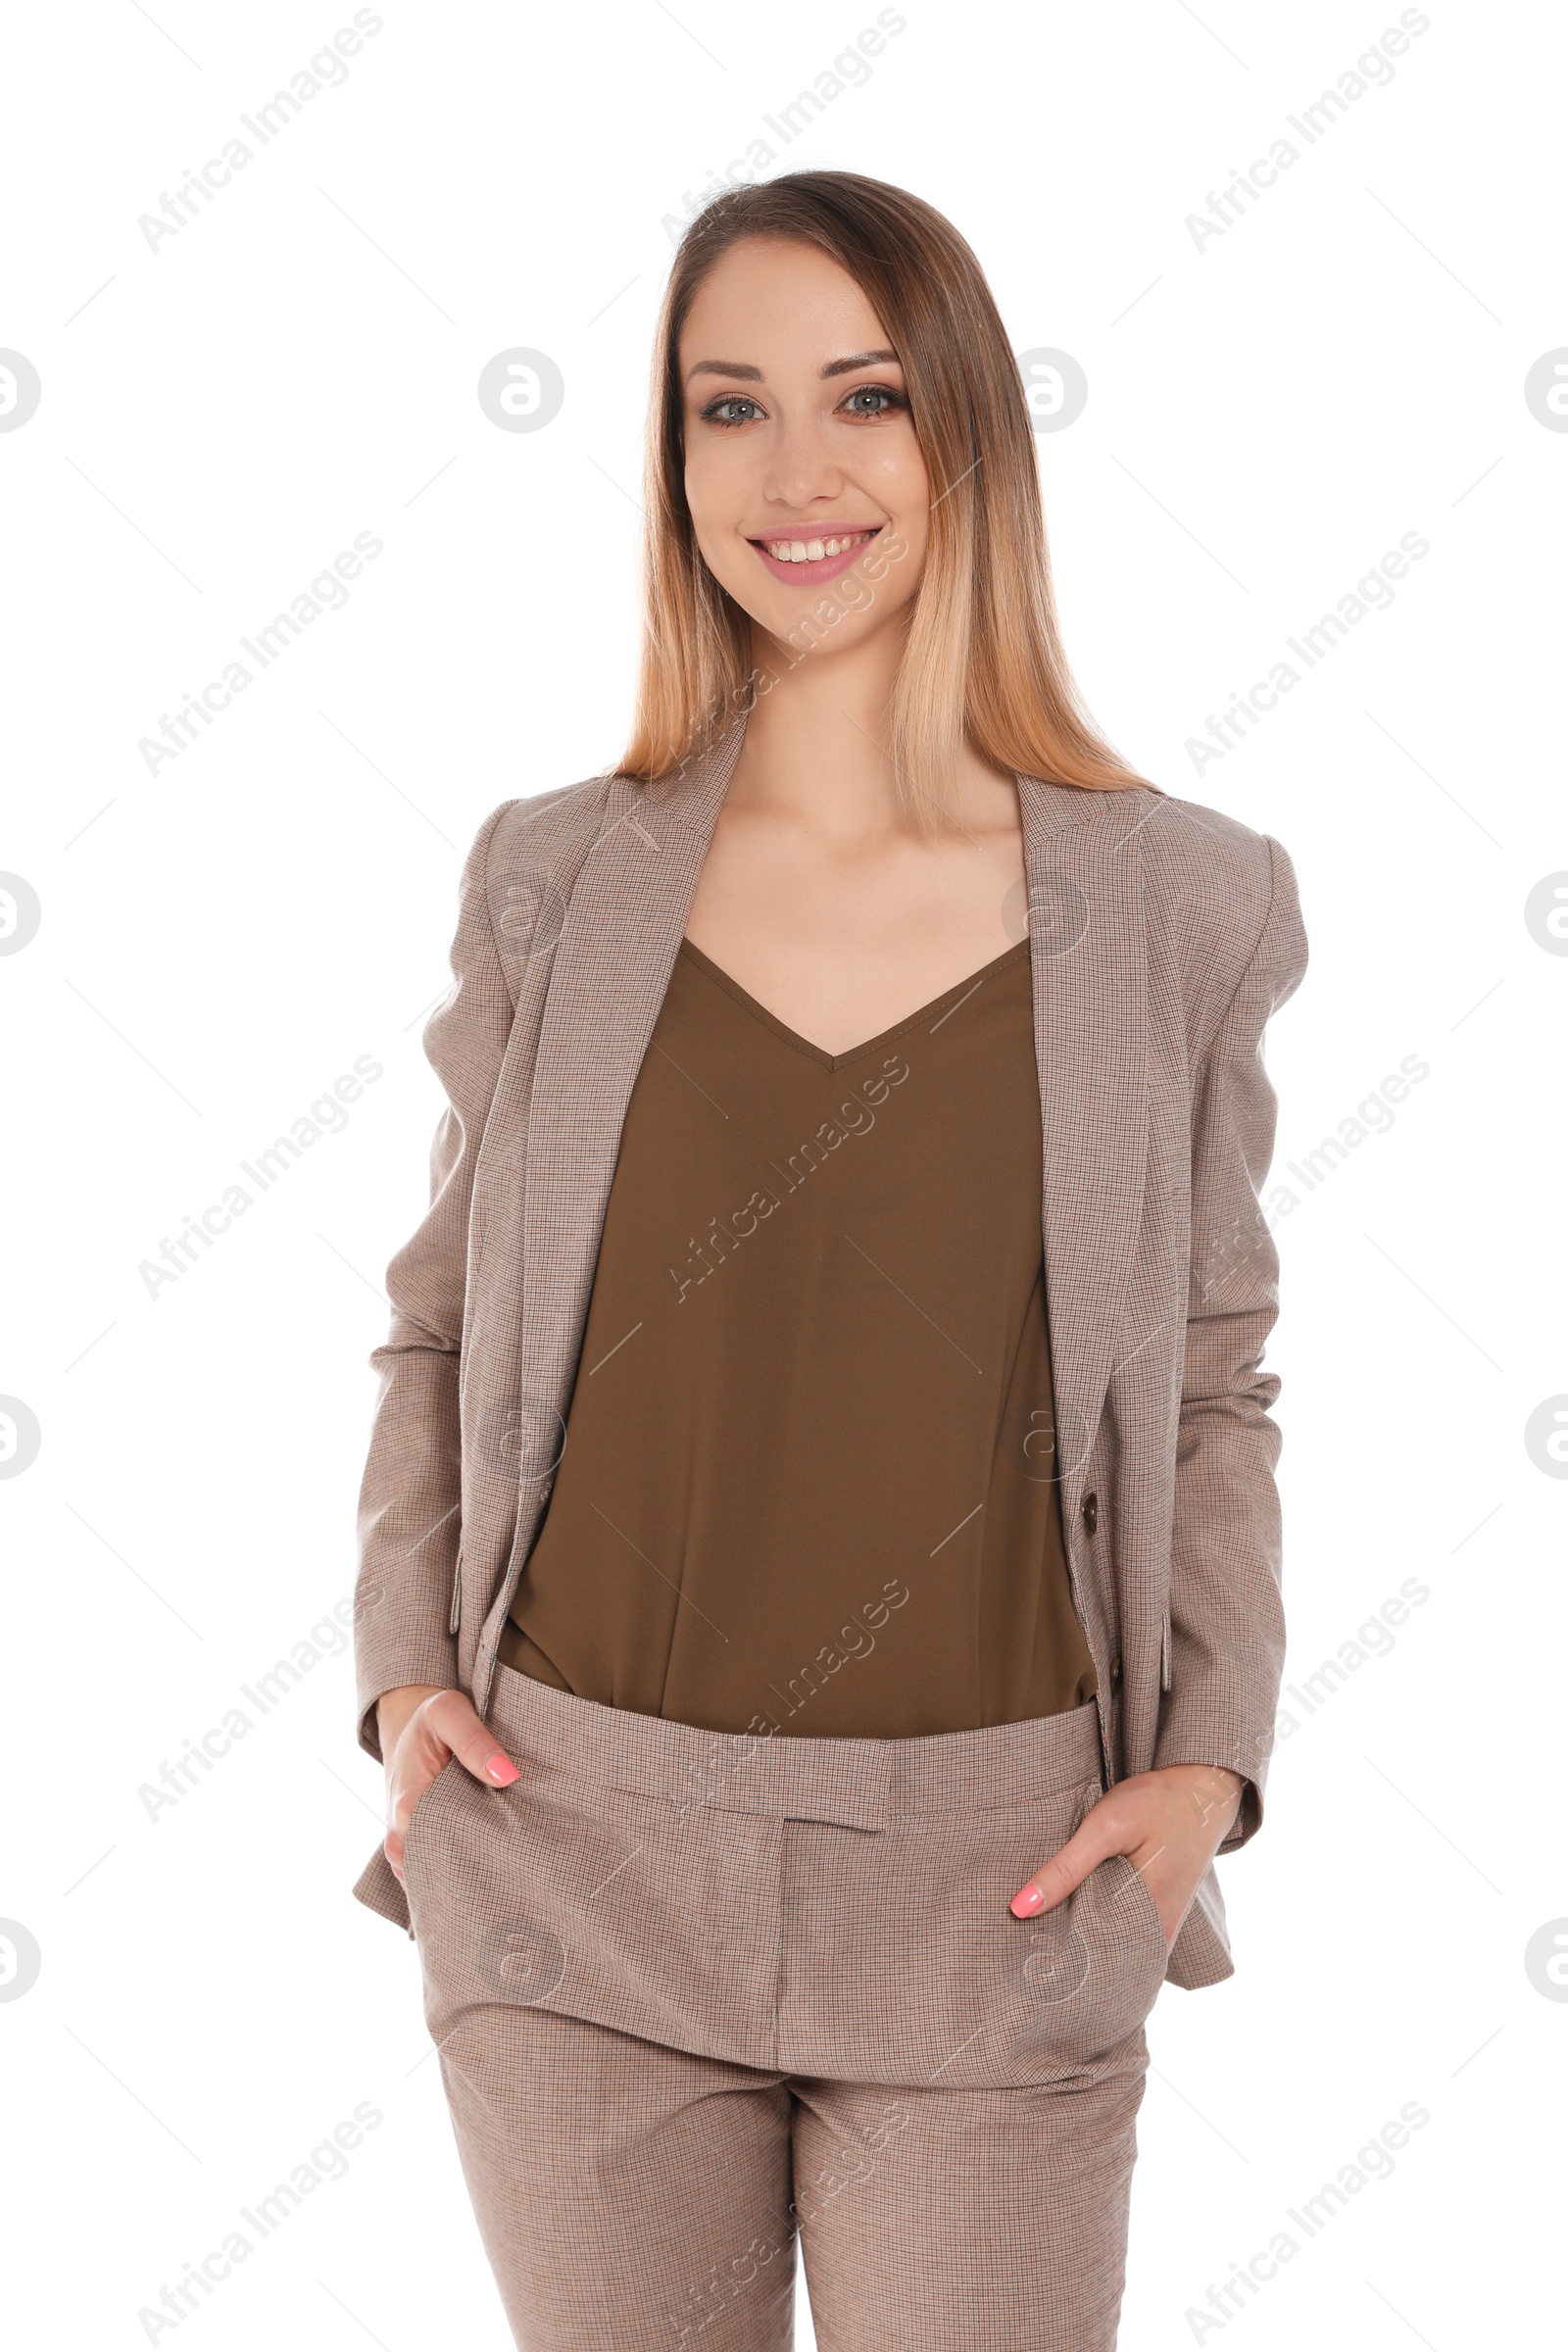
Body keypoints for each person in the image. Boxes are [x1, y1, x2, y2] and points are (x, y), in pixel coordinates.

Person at [350, 170, 1308, 2351]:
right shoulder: (549, 883)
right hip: (569, 1854)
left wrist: (1205, 1772)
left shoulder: (1178, 903)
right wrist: (402, 1689)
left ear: (964, 431)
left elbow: (1215, 1378)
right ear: (669, 460)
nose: (793, 474)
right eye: (724, 408)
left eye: (862, 398)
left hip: (1001, 1875)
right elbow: (436, 1325)